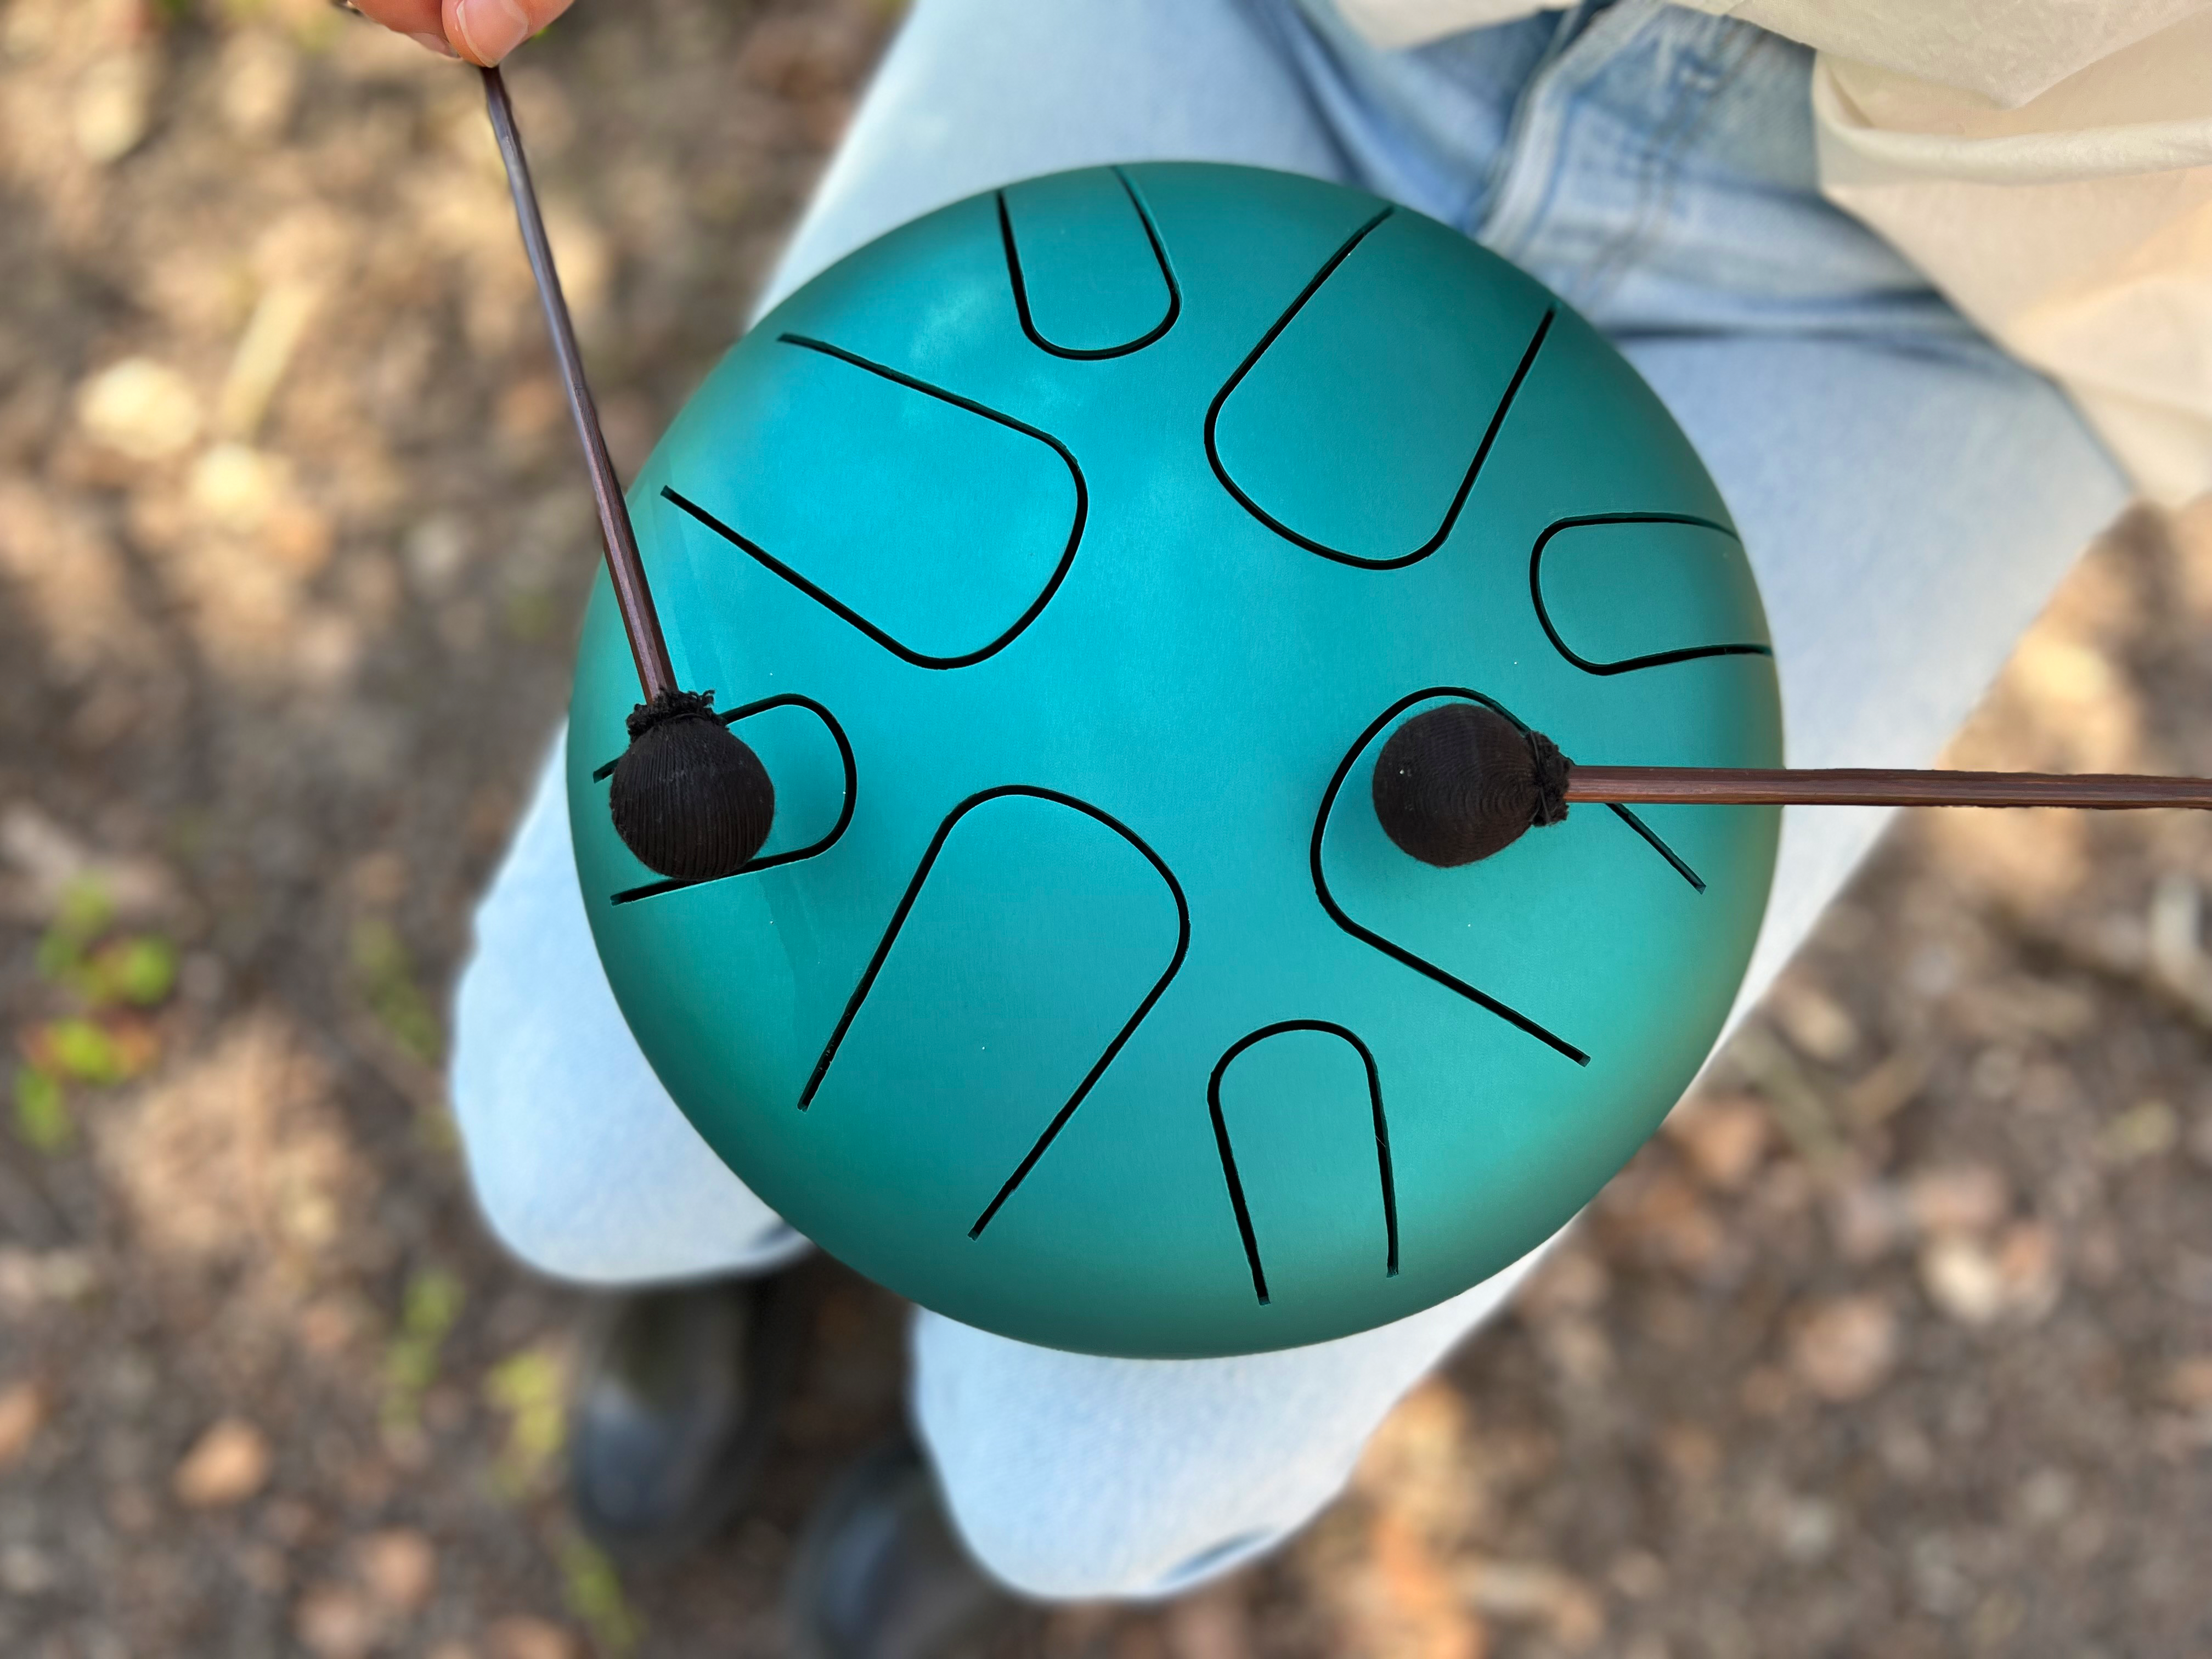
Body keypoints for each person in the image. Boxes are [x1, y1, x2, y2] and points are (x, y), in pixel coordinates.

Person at [359, 0, 2210, 1652]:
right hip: (1291, 26)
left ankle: (969, 1407)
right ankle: (749, 1249)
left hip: (1973, 283)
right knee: (579, 1158)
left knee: (1080, 1489)